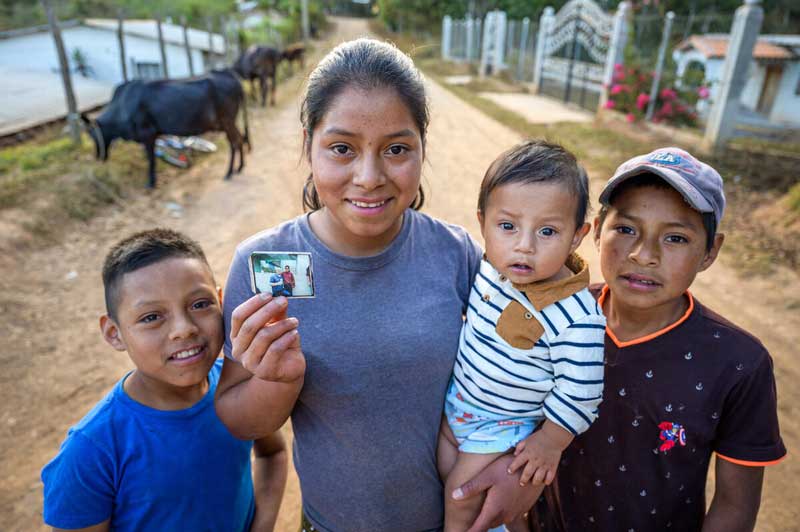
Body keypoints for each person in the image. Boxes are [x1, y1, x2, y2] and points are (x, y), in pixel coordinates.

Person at [215, 38, 545, 532]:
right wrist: (275, 381)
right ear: (309, 145)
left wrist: (526, 468)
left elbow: (532, 361)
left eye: (395, 149)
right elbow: (242, 420)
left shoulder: (455, 256)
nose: (368, 177)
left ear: (422, 147)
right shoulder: (267, 265)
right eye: (342, 148)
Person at [543, 148, 786, 531]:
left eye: (674, 238)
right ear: (596, 231)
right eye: (625, 229)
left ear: (710, 251)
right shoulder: (555, 316)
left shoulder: (739, 363)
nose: (644, 255)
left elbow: (734, 505)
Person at [41, 228, 288, 532]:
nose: (183, 329)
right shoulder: (91, 451)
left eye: (200, 304)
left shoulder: (237, 389)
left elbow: (273, 453)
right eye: (151, 317)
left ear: (221, 302)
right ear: (113, 333)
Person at [437, 141, 605, 532]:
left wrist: (550, 443)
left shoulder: (577, 317)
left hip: (504, 424)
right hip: (459, 404)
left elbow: (582, 392)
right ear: (483, 222)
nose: (524, 246)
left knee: (460, 500)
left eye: (547, 231)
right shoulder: (491, 269)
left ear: (578, 235)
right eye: (507, 226)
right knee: (449, 474)